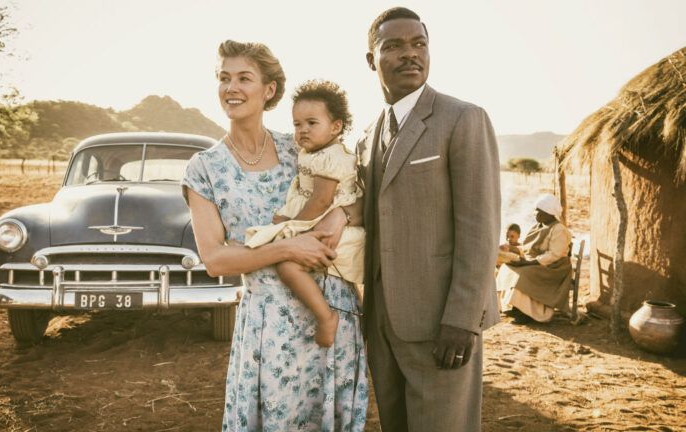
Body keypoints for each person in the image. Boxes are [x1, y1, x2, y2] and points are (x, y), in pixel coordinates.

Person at [182, 40, 368, 431]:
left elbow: (362, 198)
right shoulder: (205, 168)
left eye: (244, 78)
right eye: (224, 78)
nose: (231, 87)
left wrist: (340, 216)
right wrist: (288, 247)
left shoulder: (302, 146)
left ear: (269, 90)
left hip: (333, 309)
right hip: (270, 325)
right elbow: (215, 260)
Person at [356, 7, 501, 432]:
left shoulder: (462, 118)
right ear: (372, 60)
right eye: (394, 46)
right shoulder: (369, 134)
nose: (410, 54)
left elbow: (480, 227)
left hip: (443, 325)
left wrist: (462, 318)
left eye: (419, 44)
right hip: (382, 326)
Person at [245, 80, 365, 347]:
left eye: (312, 123)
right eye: (297, 124)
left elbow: (321, 201)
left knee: (288, 265)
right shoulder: (312, 154)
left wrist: (292, 224)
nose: (303, 130)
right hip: (319, 221)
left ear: (336, 126)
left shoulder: (331, 157)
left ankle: (325, 317)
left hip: (330, 226)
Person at [497, 194, 573, 324]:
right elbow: (528, 248)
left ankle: (527, 313)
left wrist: (529, 262)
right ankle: (514, 307)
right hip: (537, 262)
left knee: (524, 274)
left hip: (553, 267)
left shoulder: (559, 230)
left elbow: (554, 255)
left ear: (548, 213)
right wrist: (511, 249)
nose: (535, 213)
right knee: (507, 267)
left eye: (538, 211)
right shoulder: (539, 226)